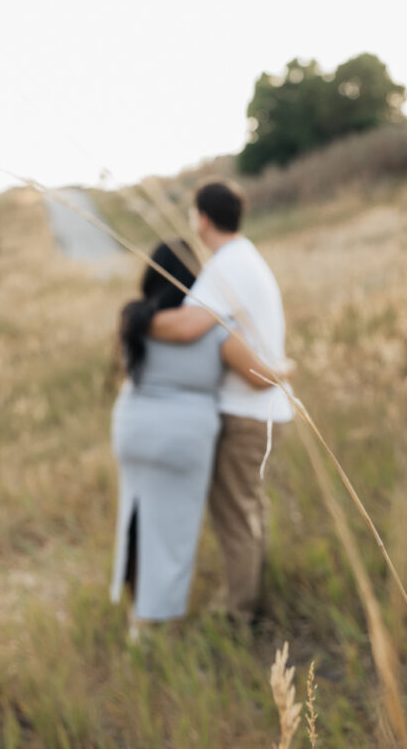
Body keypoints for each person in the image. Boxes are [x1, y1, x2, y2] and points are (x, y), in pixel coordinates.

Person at [110, 241, 281, 633]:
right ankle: (164, 623)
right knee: (175, 531)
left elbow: (127, 368)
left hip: (132, 426)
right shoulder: (218, 327)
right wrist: (286, 369)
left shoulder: (134, 318)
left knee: (137, 519)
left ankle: (138, 620)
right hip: (184, 433)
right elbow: (259, 379)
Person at [151, 180, 292, 624]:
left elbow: (187, 327)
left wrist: (138, 322)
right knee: (249, 509)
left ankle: (239, 613)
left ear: (202, 218)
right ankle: (252, 594)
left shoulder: (226, 265)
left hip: (245, 410)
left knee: (234, 517)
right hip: (264, 407)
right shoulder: (247, 257)